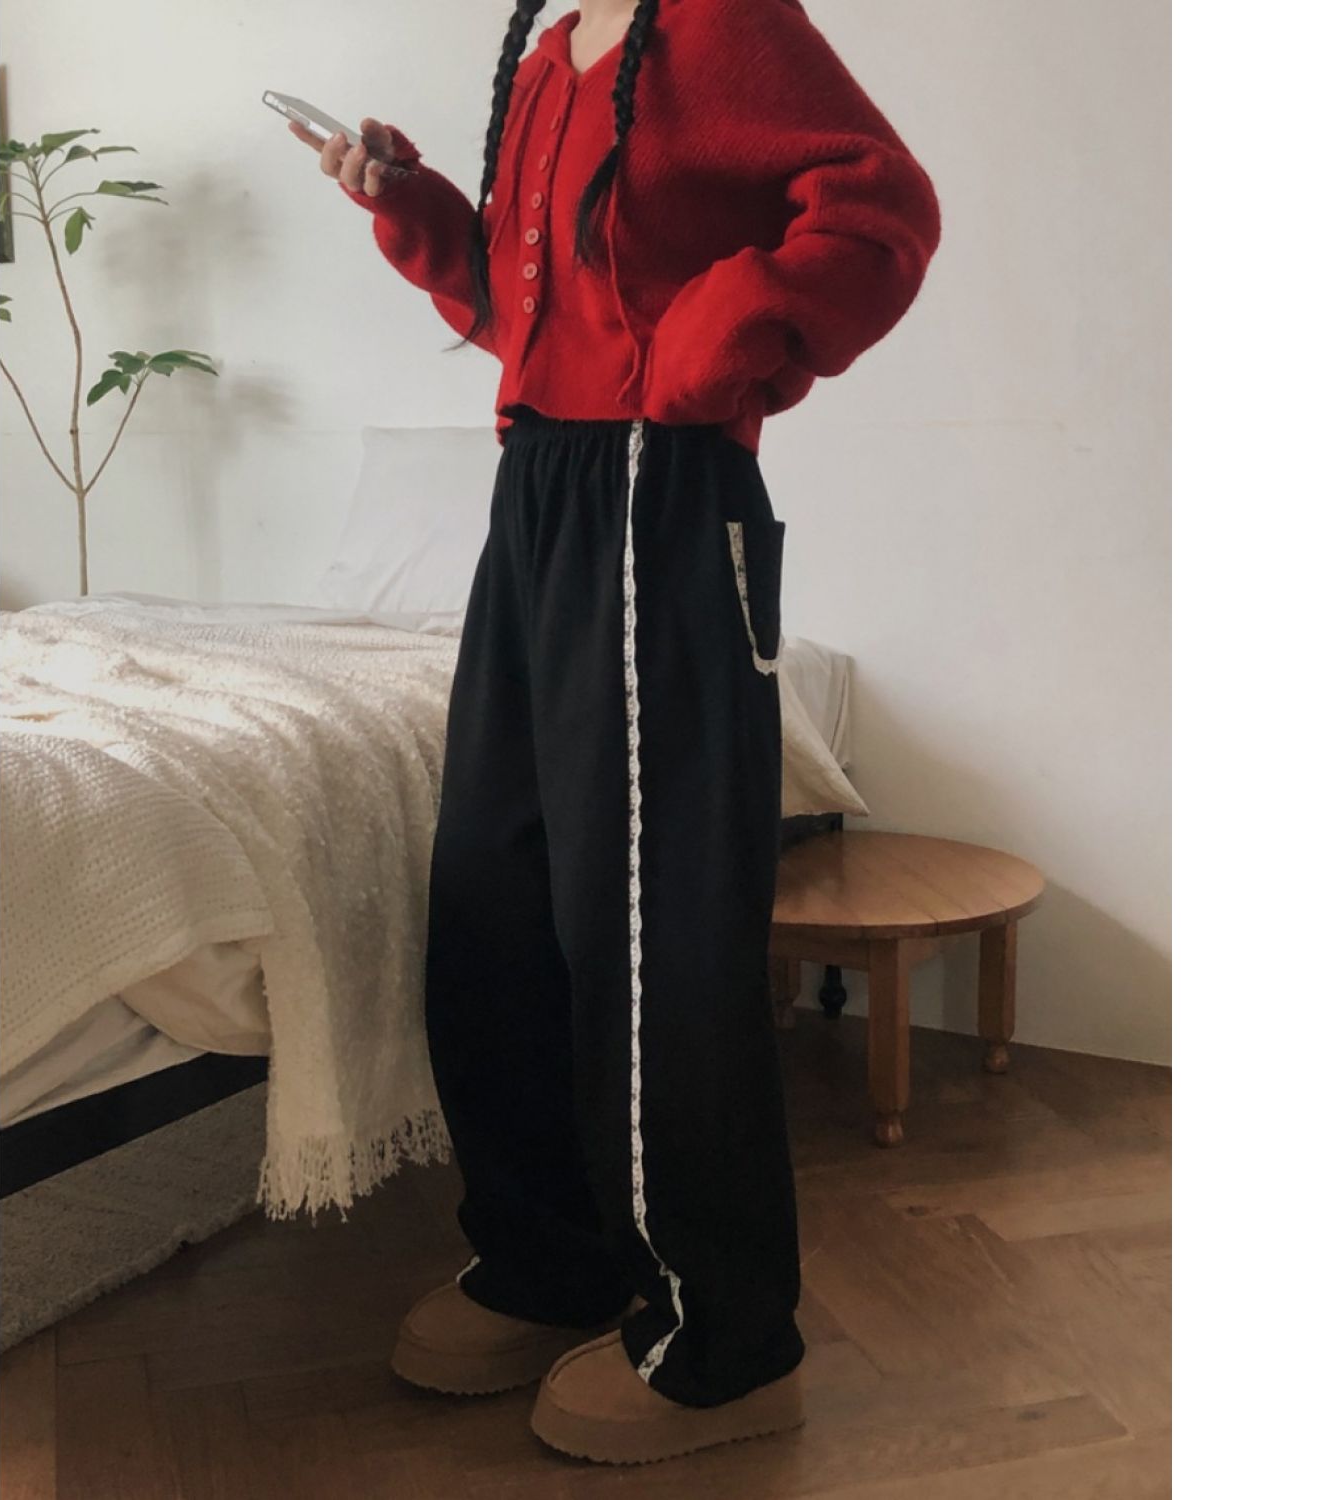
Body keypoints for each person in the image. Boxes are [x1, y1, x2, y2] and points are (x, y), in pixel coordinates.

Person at [289, 0, 941, 1466]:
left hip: (664, 487)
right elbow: (526, 311)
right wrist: (414, 210)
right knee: (498, 893)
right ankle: (549, 1258)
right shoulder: (548, 52)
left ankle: (721, 1339)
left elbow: (885, 207)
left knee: (649, 929)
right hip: (538, 491)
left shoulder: (716, 21)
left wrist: (719, 333)